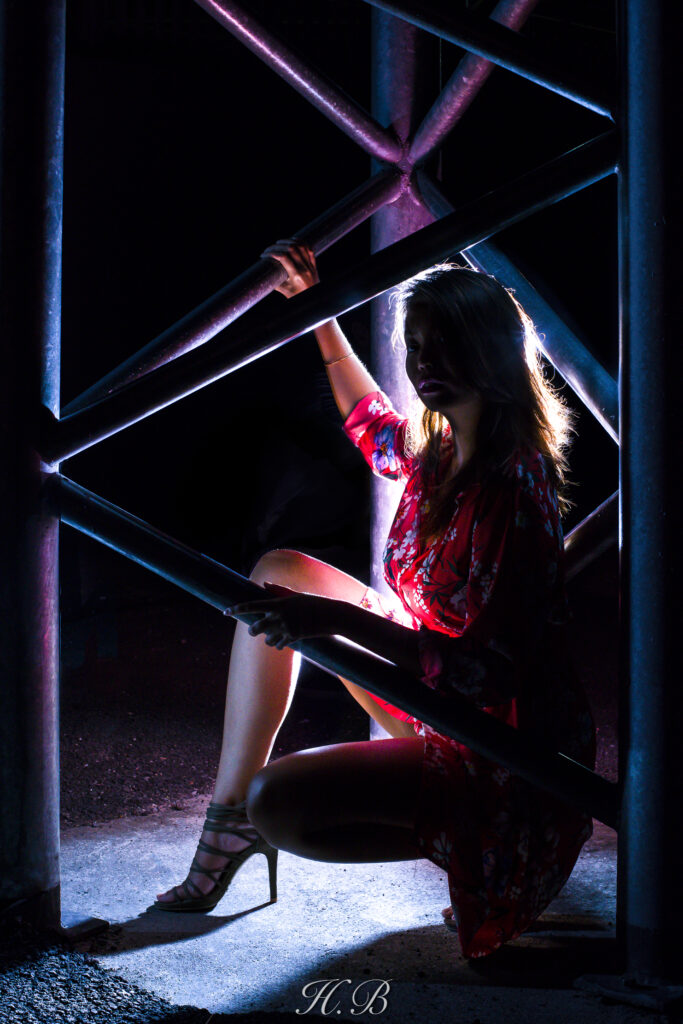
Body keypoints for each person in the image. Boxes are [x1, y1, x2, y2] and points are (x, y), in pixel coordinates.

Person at [154, 240, 596, 960]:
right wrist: (317, 310)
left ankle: (469, 847)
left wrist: (333, 620)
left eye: (445, 343)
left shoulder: (512, 488)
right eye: (416, 345)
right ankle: (226, 823)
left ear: (491, 351)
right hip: (438, 700)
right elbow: (371, 422)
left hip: (504, 750)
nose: (424, 362)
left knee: (282, 804)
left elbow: (486, 675)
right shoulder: (440, 452)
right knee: (277, 572)